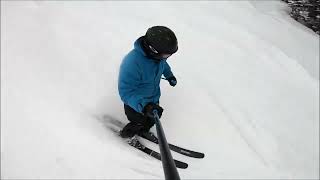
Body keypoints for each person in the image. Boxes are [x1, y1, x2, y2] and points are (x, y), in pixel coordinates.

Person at [118, 26, 178, 140]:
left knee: (151, 121)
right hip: (136, 104)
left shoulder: (158, 58)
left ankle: (143, 131)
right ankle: (126, 136)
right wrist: (144, 106)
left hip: (153, 99)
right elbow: (125, 92)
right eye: (166, 55)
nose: (167, 57)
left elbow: (163, 65)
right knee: (138, 122)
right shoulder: (132, 63)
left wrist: (169, 75)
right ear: (152, 50)